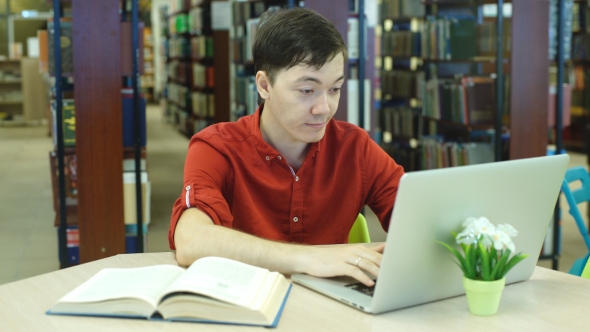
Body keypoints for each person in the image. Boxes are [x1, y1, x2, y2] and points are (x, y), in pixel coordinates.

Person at [169, 7, 404, 286]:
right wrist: (309, 258)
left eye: (335, 89)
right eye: (307, 90)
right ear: (264, 85)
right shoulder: (216, 147)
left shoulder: (355, 148)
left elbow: (422, 218)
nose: (324, 108)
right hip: (247, 305)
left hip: (331, 313)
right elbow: (191, 240)